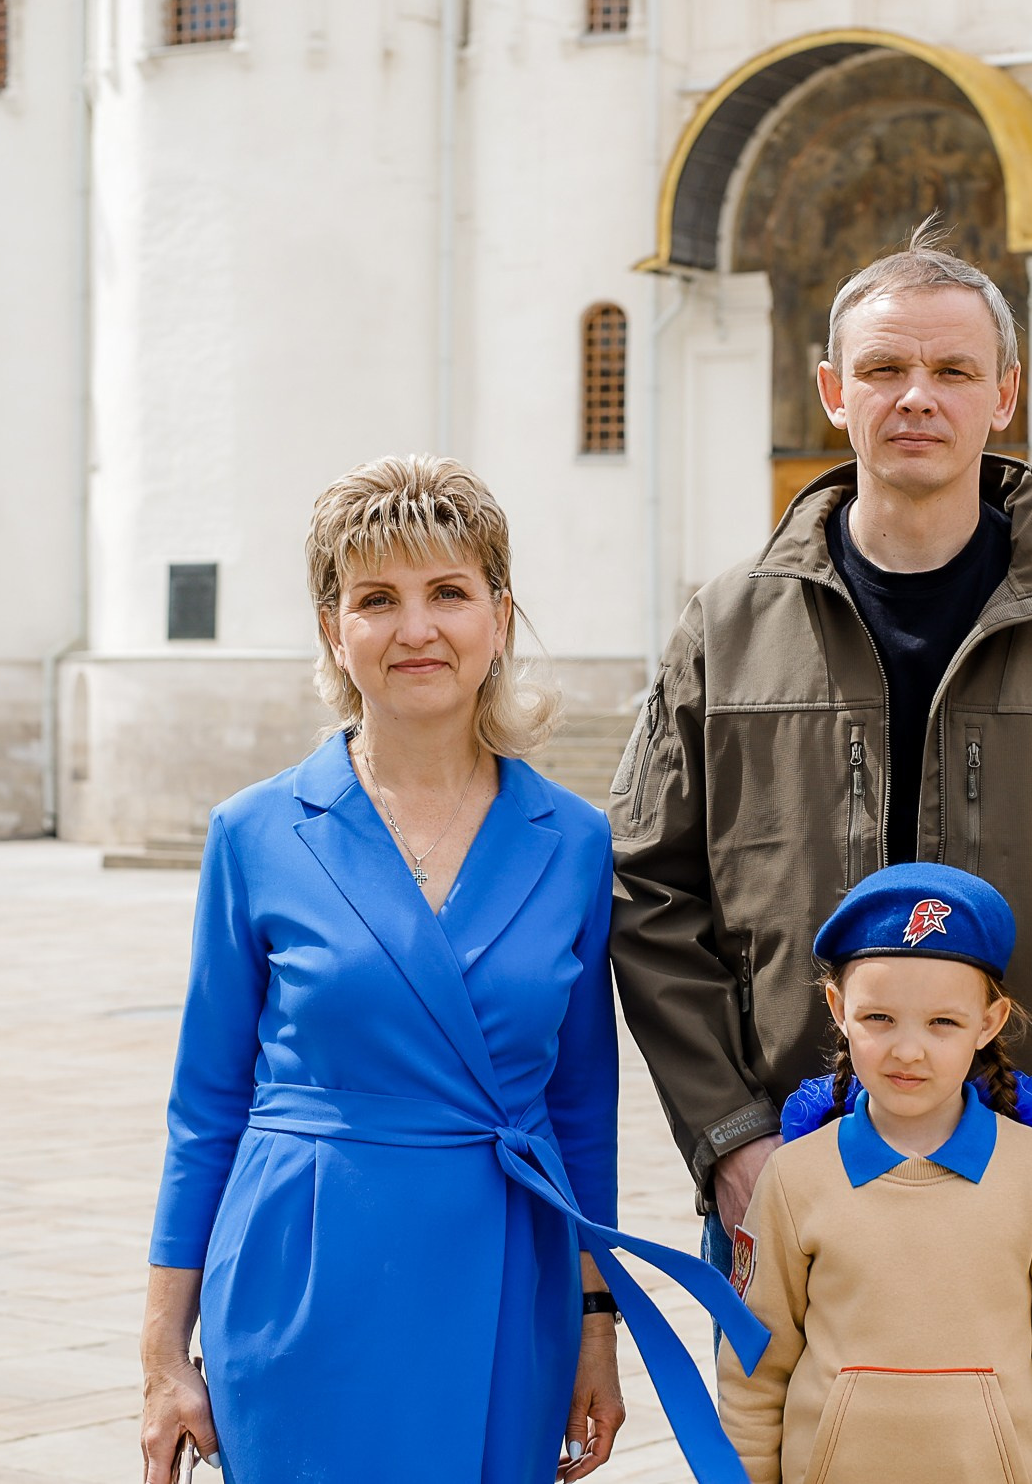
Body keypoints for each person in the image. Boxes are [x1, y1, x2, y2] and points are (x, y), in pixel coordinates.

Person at [139, 456, 765, 1484]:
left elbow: (579, 1110)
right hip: (303, 1274)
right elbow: (203, 1110)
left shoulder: (572, 843)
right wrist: (163, 1354)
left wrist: (596, 1329)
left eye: (448, 593)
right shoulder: (254, 833)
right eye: (376, 599)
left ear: (499, 617)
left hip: (504, 1270)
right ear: (334, 630)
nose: (415, 628)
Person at [610, 219, 1032, 1285]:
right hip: (790, 1178)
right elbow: (650, 898)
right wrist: (731, 1142)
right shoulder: (726, 631)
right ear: (834, 389)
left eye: (953, 369)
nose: (917, 395)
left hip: (1026, 1176)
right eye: (884, 368)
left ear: (1003, 394)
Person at [718, 863, 1032, 1484]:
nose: (909, 1050)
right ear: (839, 1009)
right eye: (879, 1018)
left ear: (988, 1024)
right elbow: (754, 1368)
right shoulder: (794, 1180)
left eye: (943, 1023)